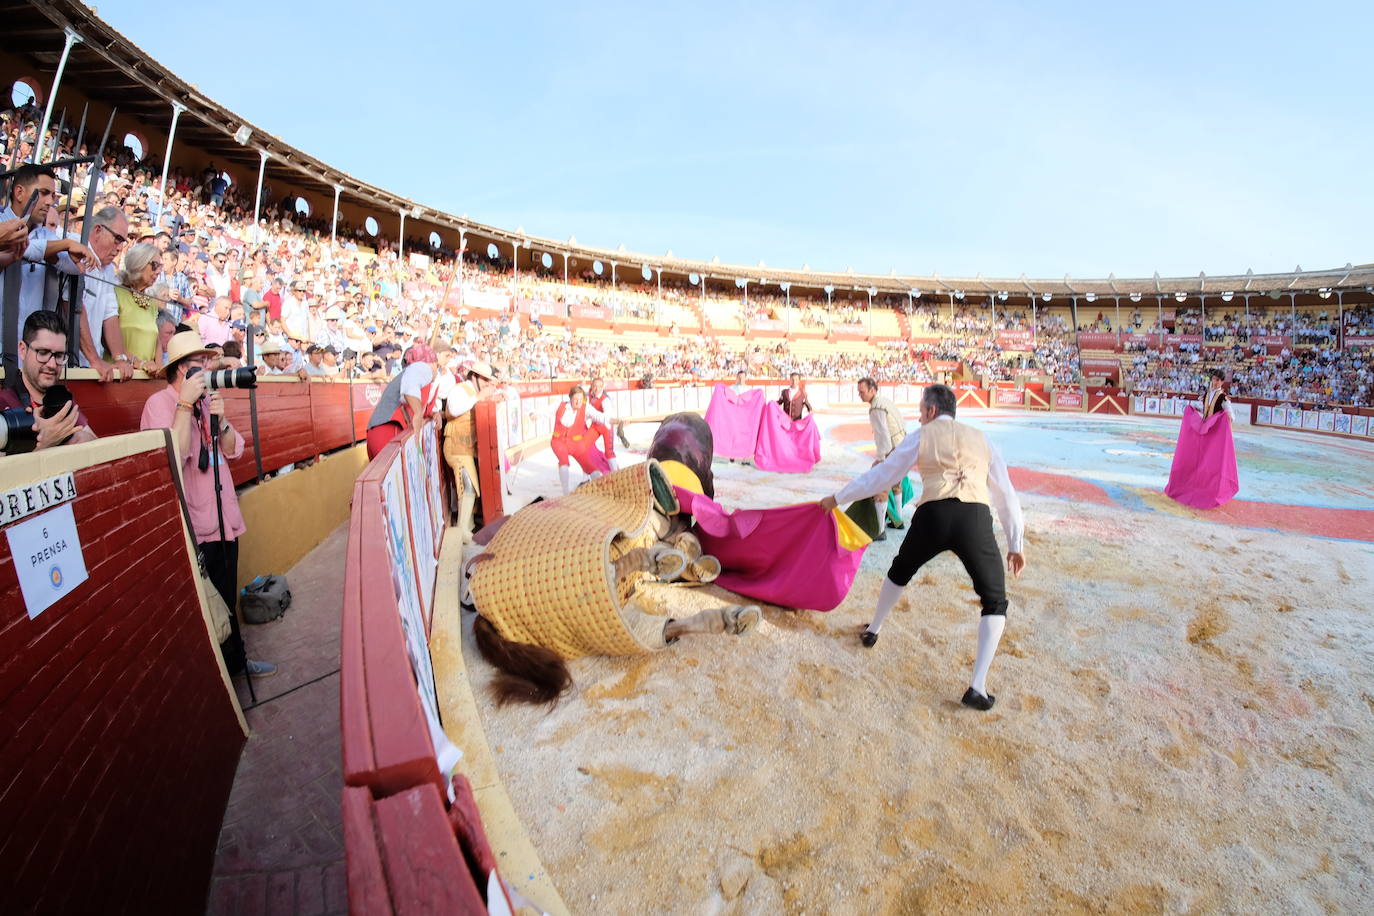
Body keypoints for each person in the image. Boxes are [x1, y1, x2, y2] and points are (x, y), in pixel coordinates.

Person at [819, 383, 1024, 711]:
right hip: (974, 518)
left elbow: (885, 475)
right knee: (995, 600)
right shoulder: (984, 440)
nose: (918, 416)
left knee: (900, 571)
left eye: (920, 411)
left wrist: (838, 497)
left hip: (933, 515)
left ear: (930, 411)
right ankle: (978, 687)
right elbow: (1006, 495)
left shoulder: (922, 435)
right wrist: (1016, 542)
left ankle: (874, 629)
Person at [140, 328, 276, 679]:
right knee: (209, 608)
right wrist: (185, 404)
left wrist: (222, 418)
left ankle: (237, 664)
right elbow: (172, 457)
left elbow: (234, 449)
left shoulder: (206, 402)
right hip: (197, 526)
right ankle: (223, 673)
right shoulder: (159, 405)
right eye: (198, 363)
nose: (205, 369)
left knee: (227, 599)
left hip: (224, 518)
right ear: (180, 370)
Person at [0, 310, 97, 454]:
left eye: (58, 355)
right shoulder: (4, 404)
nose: (52, 364)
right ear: (23, 350)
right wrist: (46, 442)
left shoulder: (61, 400)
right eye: (43, 353)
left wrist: (76, 438)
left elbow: (97, 444)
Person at [443, 360, 498, 539]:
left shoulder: (473, 392)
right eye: (484, 379)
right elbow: (454, 409)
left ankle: (468, 525)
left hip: (465, 448)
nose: (486, 383)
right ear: (474, 376)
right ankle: (462, 530)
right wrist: (480, 396)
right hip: (456, 446)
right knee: (467, 486)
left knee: (471, 486)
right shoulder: (460, 390)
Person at [365, 342, 440, 459]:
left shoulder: (418, 376)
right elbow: (410, 390)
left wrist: (433, 413)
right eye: (436, 364)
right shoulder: (422, 368)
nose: (438, 368)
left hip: (383, 430)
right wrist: (418, 412)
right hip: (388, 430)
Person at [857, 376, 913, 530]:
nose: (860, 395)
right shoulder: (886, 401)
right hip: (902, 447)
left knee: (880, 489)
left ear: (872, 390)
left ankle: (880, 530)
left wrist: (881, 459)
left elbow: (883, 435)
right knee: (897, 485)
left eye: (862, 392)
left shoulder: (876, 407)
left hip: (892, 450)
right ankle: (898, 520)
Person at [111, 241, 162, 370]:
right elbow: (109, 337)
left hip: (148, 374)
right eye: (155, 265)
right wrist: (137, 362)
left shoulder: (151, 302)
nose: (158, 271)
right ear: (139, 263)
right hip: (121, 373)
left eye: (160, 266)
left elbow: (156, 341)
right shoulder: (116, 293)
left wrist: (159, 368)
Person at [552, 385, 612, 494]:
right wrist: (535, 414)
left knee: (591, 467)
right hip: (558, 441)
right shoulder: (560, 405)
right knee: (564, 461)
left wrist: (614, 420)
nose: (578, 402)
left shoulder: (586, 408)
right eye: (575, 399)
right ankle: (565, 492)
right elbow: (544, 410)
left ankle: (602, 491)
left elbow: (600, 416)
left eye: (580, 399)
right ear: (570, 398)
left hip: (575, 443)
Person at [586, 376, 625, 467]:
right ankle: (586, 477)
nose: (597, 389)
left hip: (606, 427)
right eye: (595, 386)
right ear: (592, 386)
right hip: (595, 426)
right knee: (585, 448)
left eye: (599, 386)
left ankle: (616, 474)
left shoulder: (605, 400)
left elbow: (608, 416)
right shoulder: (590, 395)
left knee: (609, 452)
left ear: (602, 387)